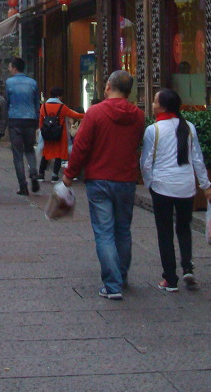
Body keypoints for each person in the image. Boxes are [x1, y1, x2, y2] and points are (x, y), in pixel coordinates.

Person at [62, 70, 144, 301]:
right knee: (123, 230)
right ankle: (121, 276)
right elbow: (136, 143)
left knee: (104, 232)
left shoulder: (95, 113)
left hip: (99, 178)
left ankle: (112, 284)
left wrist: (69, 174)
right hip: (126, 179)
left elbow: (81, 146)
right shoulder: (138, 115)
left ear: (108, 86)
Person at [141, 88, 211, 292]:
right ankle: (188, 267)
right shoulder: (188, 127)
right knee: (184, 227)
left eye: (155, 101)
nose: (152, 104)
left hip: (162, 186)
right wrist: (206, 185)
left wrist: (149, 183)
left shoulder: (153, 130)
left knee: (164, 232)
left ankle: (170, 279)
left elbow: (146, 162)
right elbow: (197, 158)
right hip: (186, 186)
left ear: (163, 106)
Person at [4, 57, 40, 195]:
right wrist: (36, 119)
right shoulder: (33, 82)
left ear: (14, 68)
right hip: (30, 119)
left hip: (15, 119)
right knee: (30, 150)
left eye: (9, 67)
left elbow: (7, 101)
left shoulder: (9, 82)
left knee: (17, 154)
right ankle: (33, 172)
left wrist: (5, 120)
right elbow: (36, 103)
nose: (9, 69)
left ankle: (23, 186)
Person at [38, 87, 84, 182]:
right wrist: (87, 114)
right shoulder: (62, 107)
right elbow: (75, 115)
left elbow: (41, 122)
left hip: (47, 133)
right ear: (59, 96)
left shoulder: (43, 107)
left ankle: (41, 174)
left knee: (46, 153)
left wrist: (43, 131)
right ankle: (54, 175)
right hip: (60, 134)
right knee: (58, 154)